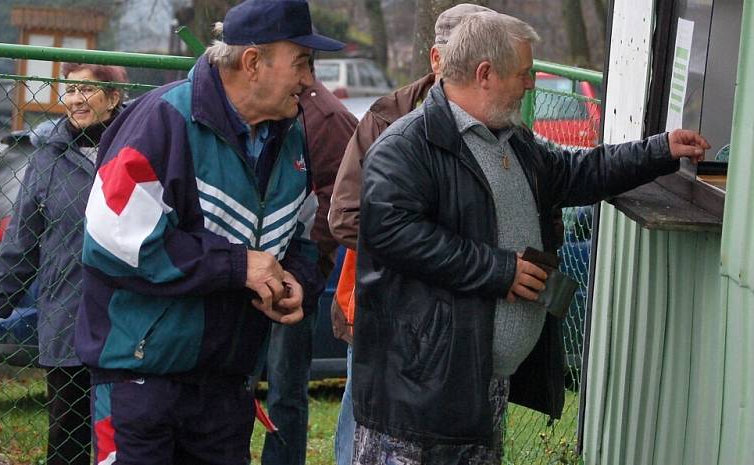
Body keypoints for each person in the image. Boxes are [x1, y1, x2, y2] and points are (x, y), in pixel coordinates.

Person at [351, 11, 710, 465]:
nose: (529, 86)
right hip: (419, 396)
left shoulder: (512, 140)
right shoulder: (406, 147)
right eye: (523, 74)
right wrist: (499, 270)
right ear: (485, 74)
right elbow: (394, 234)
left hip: (483, 384)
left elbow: (578, 173)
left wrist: (660, 151)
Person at [73, 0, 343, 463]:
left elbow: (298, 230)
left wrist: (295, 276)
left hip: (227, 385)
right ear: (253, 62)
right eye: (301, 62)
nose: (308, 80)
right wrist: (237, 266)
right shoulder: (162, 120)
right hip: (142, 381)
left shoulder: (290, 135)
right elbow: (114, 239)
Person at [327, 5, 494, 465]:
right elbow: (343, 217)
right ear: (436, 59)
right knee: (362, 430)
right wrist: (426, 246)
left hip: (462, 314)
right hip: (383, 311)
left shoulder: (495, 122)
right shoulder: (386, 120)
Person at [0, 63, 128, 465]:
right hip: (67, 317)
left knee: (129, 433)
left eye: (86, 90)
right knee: (67, 435)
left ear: (114, 98)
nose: (75, 100)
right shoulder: (48, 158)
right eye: (69, 90)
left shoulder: (138, 148)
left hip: (128, 318)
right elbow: (22, 242)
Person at [259, 56, 357, 465]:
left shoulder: (327, 118)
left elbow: (339, 203)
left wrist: (300, 266)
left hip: (293, 279)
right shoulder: (267, 105)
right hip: (245, 271)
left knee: (285, 392)